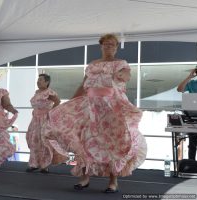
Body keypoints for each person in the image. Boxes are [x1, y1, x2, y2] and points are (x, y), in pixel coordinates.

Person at [44, 33, 147, 193]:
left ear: (116, 47)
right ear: (101, 46)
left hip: (110, 108)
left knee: (112, 141)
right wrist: (70, 101)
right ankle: (85, 178)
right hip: (90, 107)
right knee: (85, 140)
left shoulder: (120, 63)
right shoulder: (92, 65)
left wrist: (120, 75)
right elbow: (83, 85)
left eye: (112, 44)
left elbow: (126, 77)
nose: (109, 47)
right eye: (106, 44)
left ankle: (113, 181)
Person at [26, 74, 67, 173]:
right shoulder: (37, 92)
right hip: (36, 120)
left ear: (47, 82)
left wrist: (50, 112)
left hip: (45, 119)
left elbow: (57, 101)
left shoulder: (49, 92)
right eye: (38, 80)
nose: (38, 81)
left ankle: (44, 165)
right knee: (34, 140)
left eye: (40, 80)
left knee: (44, 141)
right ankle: (34, 163)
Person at [177, 67, 197, 160]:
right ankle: (192, 166)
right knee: (192, 144)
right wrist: (189, 76)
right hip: (193, 118)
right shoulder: (193, 84)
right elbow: (179, 89)